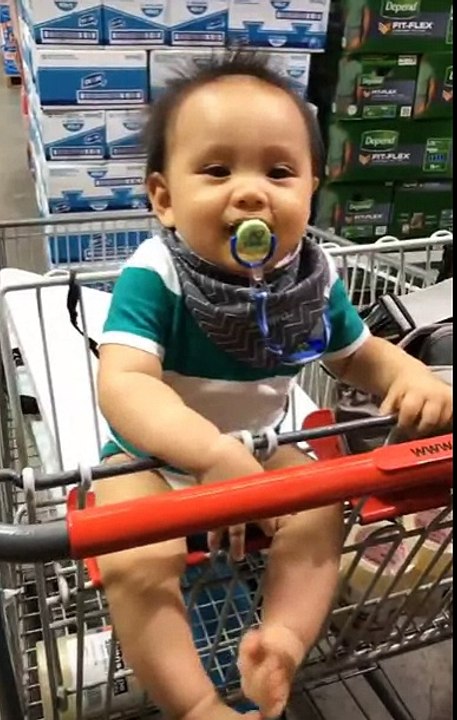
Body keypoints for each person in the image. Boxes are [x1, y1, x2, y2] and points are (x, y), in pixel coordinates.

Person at [94, 52, 453, 720]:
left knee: (320, 511)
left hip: (258, 447)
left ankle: (280, 642)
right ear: (164, 199)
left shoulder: (309, 283)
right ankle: (196, 704)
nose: (252, 193)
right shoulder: (156, 275)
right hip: (151, 460)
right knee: (135, 551)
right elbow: (124, 383)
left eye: (279, 172)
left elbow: (358, 356)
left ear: (311, 188)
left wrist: (407, 374)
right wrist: (206, 453)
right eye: (217, 171)